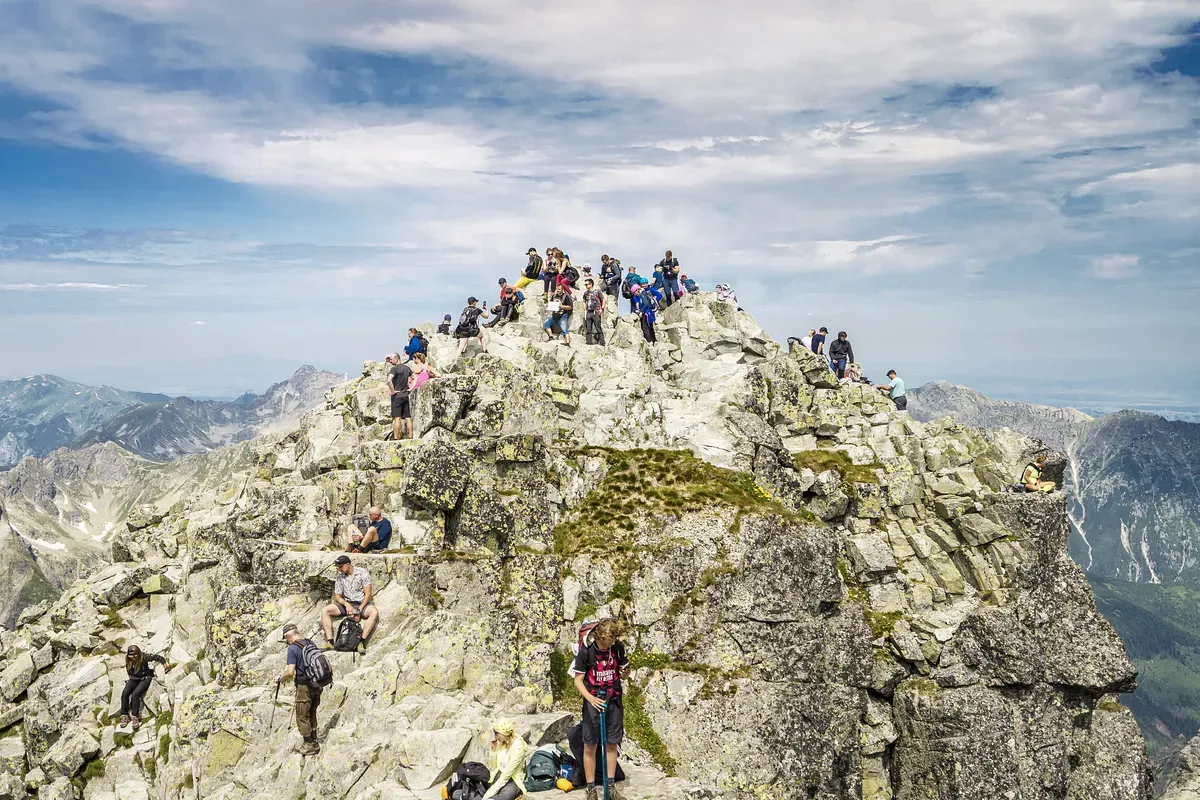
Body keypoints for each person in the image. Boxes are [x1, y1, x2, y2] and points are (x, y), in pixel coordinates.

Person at [573, 619, 630, 800]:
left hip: (614, 701)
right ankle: (591, 789)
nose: (610, 644)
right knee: (590, 745)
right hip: (593, 703)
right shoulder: (586, 652)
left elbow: (624, 671)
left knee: (612, 743)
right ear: (599, 636)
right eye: (607, 641)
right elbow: (578, 681)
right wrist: (590, 698)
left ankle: (610, 786)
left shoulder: (617, 647)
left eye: (613, 640)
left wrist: (625, 673)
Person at [279, 623, 322, 755]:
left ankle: (308, 744)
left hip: (304, 686)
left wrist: (281, 678)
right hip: (317, 683)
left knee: (302, 716)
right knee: (312, 712)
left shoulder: (292, 649)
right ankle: (314, 741)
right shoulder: (310, 643)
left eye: (286, 638)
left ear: (288, 636)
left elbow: (290, 671)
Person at [321, 555, 378, 653]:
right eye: (338, 567)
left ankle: (361, 642)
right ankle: (330, 642)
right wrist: (347, 605)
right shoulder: (340, 577)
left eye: (341, 567)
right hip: (347, 603)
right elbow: (337, 596)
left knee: (374, 612)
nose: (339, 569)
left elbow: (368, 594)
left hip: (361, 603)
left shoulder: (362, 573)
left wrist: (359, 610)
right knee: (325, 611)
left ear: (348, 564)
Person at [118, 645, 169, 730]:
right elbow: (128, 669)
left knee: (135, 694)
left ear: (138, 654)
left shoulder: (144, 657)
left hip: (145, 677)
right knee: (125, 693)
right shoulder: (128, 659)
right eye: (131, 656)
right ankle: (124, 715)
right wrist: (130, 679)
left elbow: (159, 658)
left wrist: (166, 667)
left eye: (135, 655)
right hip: (134, 678)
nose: (133, 657)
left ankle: (135, 716)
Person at [481, 719, 529, 800]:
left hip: (512, 779)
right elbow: (493, 765)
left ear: (504, 733)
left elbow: (506, 776)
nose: (495, 736)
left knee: (506, 795)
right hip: (498, 775)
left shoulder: (518, 749)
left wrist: (486, 796)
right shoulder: (503, 742)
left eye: (497, 733)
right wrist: (493, 749)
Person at [386, 353, 413, 440]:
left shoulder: (394, 369)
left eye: (391, 359)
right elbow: (415, 377)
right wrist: (411, 388)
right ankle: (411, 436)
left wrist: (393, 391)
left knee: (397, 418)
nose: (390, 361)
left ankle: (396, 438)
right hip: (405, 395)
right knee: (408, 417)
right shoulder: (407, 368)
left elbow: (389, 380)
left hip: (397, 396)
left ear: (396, 359)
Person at [582, 278, 606, 346]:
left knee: (598, 328)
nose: (586, 286)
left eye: (587, 284)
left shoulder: (597, 291)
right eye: (585, 284)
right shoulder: (586, 293)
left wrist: (602, 308)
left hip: (596, 312)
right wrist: (585, 309)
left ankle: (602, 343)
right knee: (588, 328)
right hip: (589, 312)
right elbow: (584, 300)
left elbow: (603, 299)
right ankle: (588, 342)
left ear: (591, 284)